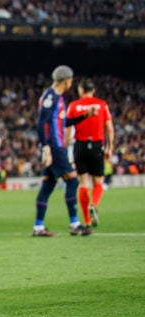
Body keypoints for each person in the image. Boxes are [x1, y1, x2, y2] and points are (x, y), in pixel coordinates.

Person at [33, 65, 98, 237]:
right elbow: (41, 123)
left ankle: (38, 227)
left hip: (55, 145)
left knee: (48, 184)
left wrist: (85, 116)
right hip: (55, 146)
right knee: (72, 181)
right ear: (67, 80)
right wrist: (46, 147)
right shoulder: (51, 96)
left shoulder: (59, 98)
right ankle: (75, 224)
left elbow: (63, 122)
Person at [65, 79, 114, 228]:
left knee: (83, 184)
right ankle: (93, 203)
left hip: (79, 146)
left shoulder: (73, 106)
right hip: (96, 145)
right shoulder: (101, 104)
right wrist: (110, 147)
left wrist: (66, 146)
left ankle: (86, 220)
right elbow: (109, 128)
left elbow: (67, 129)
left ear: (81, 90)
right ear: (93, 90)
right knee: (98, 182)